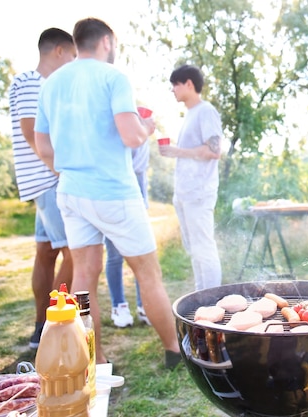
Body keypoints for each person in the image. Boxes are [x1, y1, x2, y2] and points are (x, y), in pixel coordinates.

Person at [34, 17, 181, 369]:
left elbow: (42, 145)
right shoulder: (113, 77)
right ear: (106, 42)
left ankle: (96, 359)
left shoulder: (51, 84)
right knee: (147, 273)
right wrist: (146, 126)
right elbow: (130, 136)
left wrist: (69, 171)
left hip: (70, 192)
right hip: (114, 192)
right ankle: (175, 351)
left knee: (83, 278)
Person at [8, 27, 76, 349]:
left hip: (43, 179)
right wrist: (59, 170)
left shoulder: (41, 85)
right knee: (76, 253)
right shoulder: (33, 82)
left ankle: (40, 330)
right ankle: (55, 326)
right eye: (73, 56)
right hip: (49, 180)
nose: (73, 64)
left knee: (46, 253)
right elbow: (30, 131)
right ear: (60, 51)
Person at [159, 64, 222, 291]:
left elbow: (214, 151)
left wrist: (177, 151)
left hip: (199, 193)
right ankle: (201, 297)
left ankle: (212, 299)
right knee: (194, 249)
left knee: (204, 248)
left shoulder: (206, 111)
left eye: (175, 84)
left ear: (189, 84)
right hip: (184, 194)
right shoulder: (191, 114)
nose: (173, 90)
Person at [105, 141, 150, 327]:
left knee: (141, 253)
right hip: (114, 183)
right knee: (115, 255)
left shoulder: (144, 115)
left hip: (138, 182)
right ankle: (119, 305)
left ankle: (144, 304)